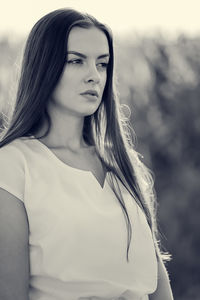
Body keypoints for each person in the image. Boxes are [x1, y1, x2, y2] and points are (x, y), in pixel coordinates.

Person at [0, 8, 174, 300]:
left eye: (102, 64)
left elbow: (157, 288)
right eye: (76, 61)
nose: (94, 76)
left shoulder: (122, 164)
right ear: (44, 67)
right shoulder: (13, 165)